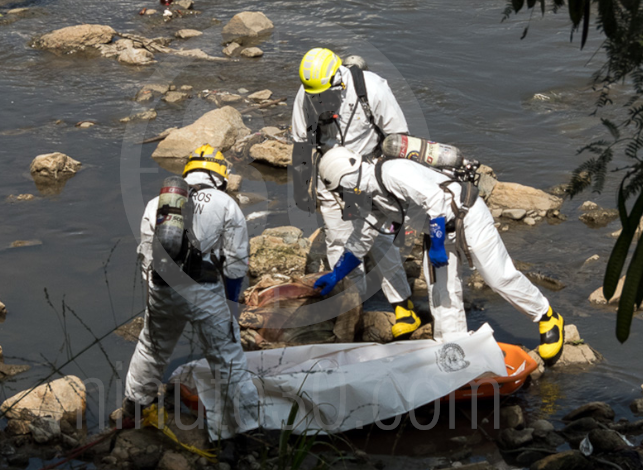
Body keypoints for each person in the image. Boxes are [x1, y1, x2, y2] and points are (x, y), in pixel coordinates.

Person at [313, 146, 565, 364]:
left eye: (341, 190)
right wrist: (336, 275)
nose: (343, 196)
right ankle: (453, 350)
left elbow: (436, 200)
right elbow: (360, 241)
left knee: (498, 277)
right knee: (442, 293)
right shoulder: (371, 199)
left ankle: (547, 316)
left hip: (468, 216)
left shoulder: (393, 172)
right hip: (438, 231)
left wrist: (436, 245)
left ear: (346, 179)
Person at [124, 145, 260, 447]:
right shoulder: (226, 204)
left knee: (150, 349)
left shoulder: (155, 204)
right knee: (228, 359)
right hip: (205, 292)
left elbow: (147, 258)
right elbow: (236, 266)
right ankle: (247, 434)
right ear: (219, 176)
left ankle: (132, 411)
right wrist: (231, 309)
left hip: (162, 289)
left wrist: (154, 300)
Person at [291, 47, 420, 339]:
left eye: (325, 94)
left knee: (382, 242)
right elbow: (301, 144)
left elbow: (399, 138)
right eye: (315, 95)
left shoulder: (372, 88)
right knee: (338, 238)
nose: (320, 100)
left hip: (370, 172)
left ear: (339, 79)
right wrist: (302, 191)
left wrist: (395, 184)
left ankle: (403, 304)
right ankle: (351, 306)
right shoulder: (306, 95)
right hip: (330, 176)